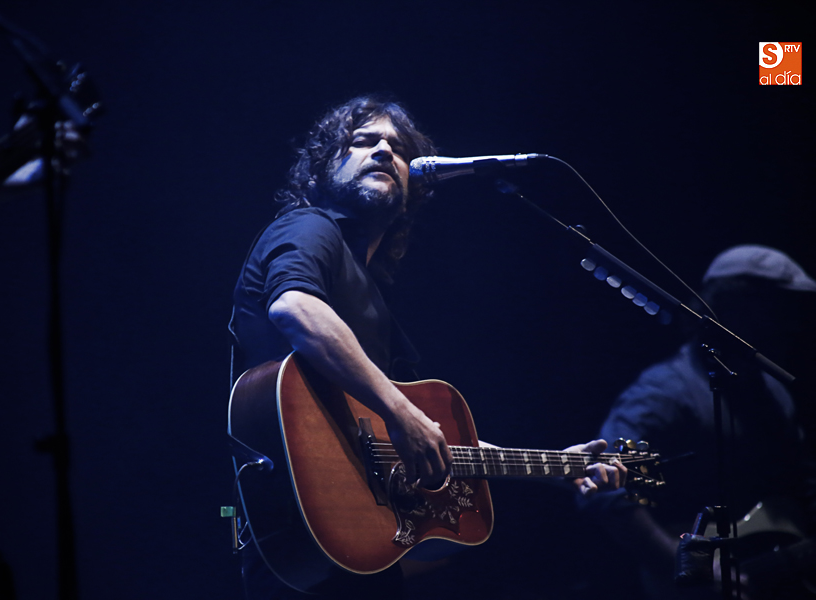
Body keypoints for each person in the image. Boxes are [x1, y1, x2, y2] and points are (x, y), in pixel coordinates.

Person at [228, 95, 627, 599]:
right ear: (321, 170)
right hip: (299, 540)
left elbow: (416, 440)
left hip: (350, 551)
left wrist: (556, 466)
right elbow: (295, 309)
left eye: (397, 149)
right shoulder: (310, 227)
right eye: (362, 142)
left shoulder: (368, 290)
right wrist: (402, 411)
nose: (382, 152)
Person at [590, 244, 816, 599]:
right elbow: (604, 493)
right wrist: (683, 568)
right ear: (733, 307)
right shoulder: (664, 393)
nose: (792, 323)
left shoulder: (774, 390)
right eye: (777, 307)